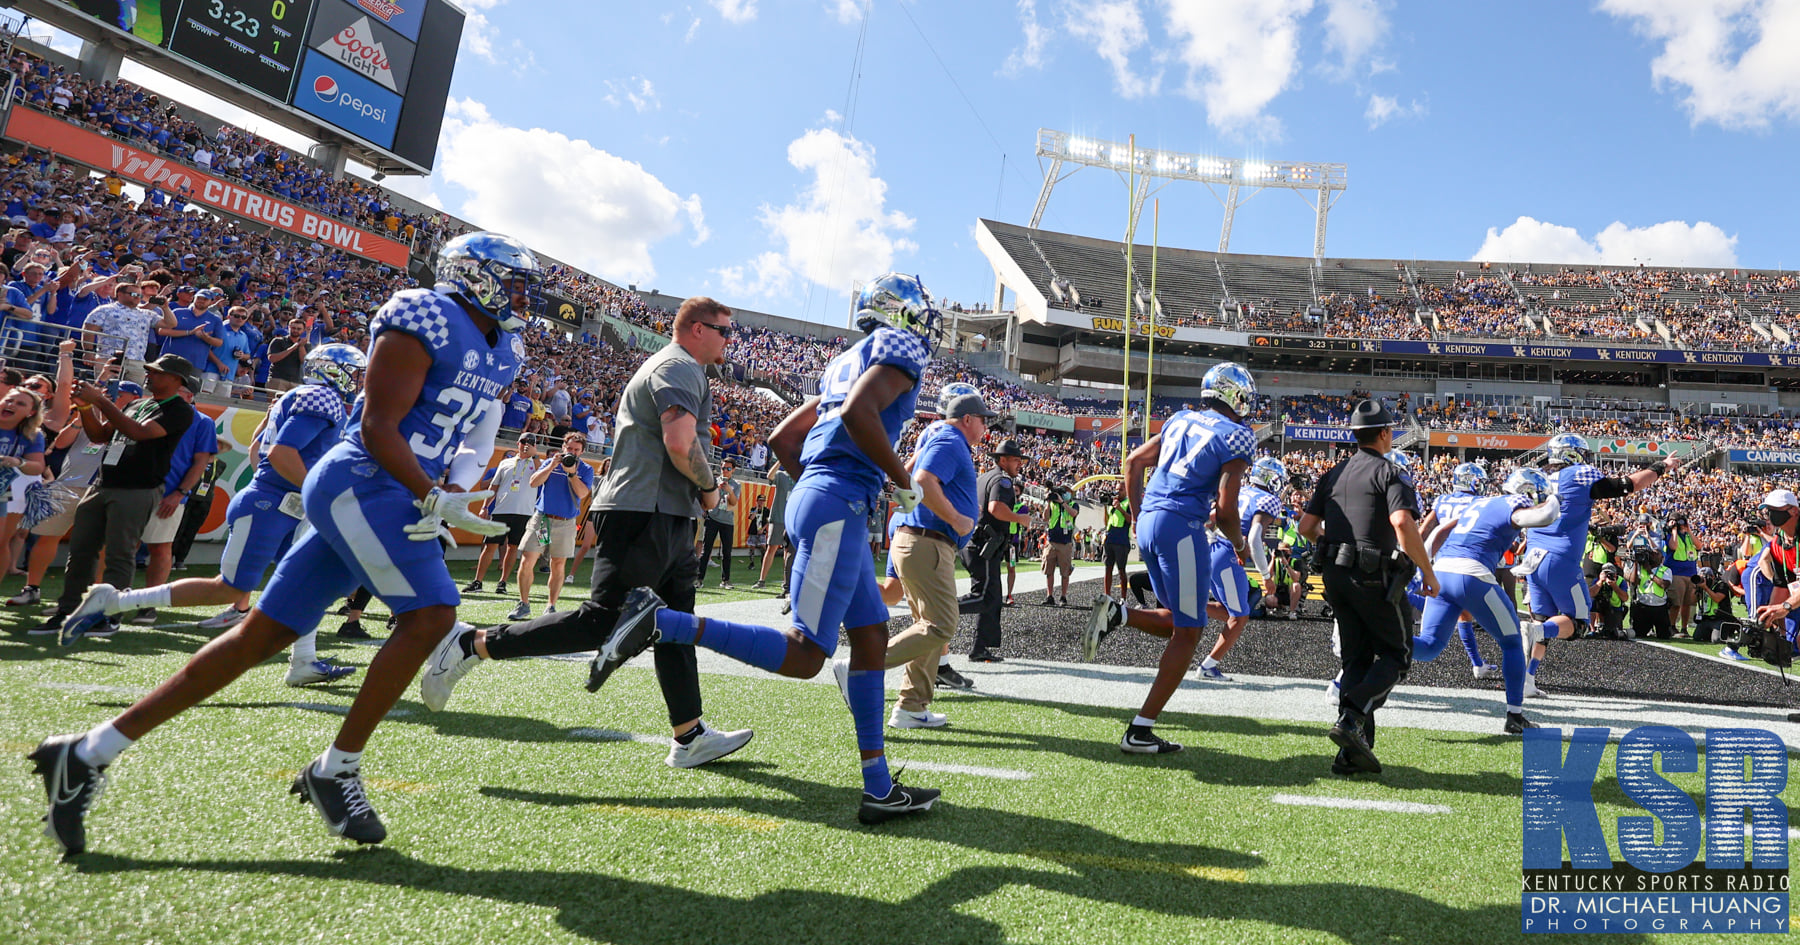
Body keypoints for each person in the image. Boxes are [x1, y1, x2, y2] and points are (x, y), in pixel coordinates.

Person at [28, 232, 538, 853]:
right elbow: (378, 425)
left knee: (258, 636)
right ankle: (336, 769)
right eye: (510, 281)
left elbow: (480, 426)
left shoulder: (505, 345)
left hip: (399, 490)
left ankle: (87, 752)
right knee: (432, 615)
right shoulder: (424, 313)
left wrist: (453, 484)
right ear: (471, 274)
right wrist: (430, 494)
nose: (520, 297)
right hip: (364, 480)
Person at [581, 272, 943, 824]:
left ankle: (877, 785)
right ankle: (662, 624)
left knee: (871, 640)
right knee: (804, 656)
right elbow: (858, 414)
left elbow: (781, 439)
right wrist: (895, 478)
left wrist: (825, 485)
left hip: (824, 498)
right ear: (902, 313)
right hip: (835, 504)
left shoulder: (847, 359)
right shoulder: (898, 348)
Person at [417, 295, 753, 771]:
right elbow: (680, 446)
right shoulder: (678, 366)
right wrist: (712, 491)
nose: (730, 341)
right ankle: (473, 643)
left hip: (665, 512)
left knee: (675, 623)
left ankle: (690, 733)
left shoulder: (685, 370)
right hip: (644, 511)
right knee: (602, 621)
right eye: (725, 331)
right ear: (697, 329)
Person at [60, 346, 369, 696]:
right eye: (355, 372)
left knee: (307, 584)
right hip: (270, 506)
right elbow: (282, 454)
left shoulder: (305, 397)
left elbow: (259, 451)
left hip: (284, 506)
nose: (359, 380)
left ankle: (304, 662)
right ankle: (113, 601)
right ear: (335, 371)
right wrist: (315, 492)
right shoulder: (321, 398)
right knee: (230, 588)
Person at [1112, 362, 1257, 754]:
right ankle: (1140, 730)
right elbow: (1226, 512)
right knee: (1189, 633)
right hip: (1182, 527)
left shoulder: (1180, 419)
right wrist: (1241, 547)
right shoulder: (1238, 435)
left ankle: (1118, 614)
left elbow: (1132, 463)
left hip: (1149, 523)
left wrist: (1141, 514)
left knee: (1180, 620)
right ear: (1235, 396)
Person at [1296, 398, 1439, 776]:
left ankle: (1351, 755)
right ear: (1384, 433)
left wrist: (1339, 545)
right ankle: (1352, 718)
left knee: (1356, 660)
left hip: (1334, 577)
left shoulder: (1334, 472)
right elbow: (1402, 524)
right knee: (1397, 655)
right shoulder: (1390, 472)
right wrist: (1427, 571)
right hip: (1373, 576)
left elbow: (1306, 529)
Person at [35, 354, 200, 633]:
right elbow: (100, 436)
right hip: (102, 483)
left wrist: (101, 401)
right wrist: (86, 407)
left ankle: (108, 616)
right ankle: (68, 610)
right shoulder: (137, 403)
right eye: (148, 370)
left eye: (157, 371)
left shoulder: (180, 410)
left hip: (138, 488)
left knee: (119, 554)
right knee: (81, 551)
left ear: (176, 380)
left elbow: (137, 432)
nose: (149, 374)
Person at [1520, 433, 1678, 696]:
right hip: (1560, 559)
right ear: (1574, 454)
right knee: (1577, 624)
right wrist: (1661, 467)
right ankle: (1536, 631)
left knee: (1543, 621)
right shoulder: (1579, 474)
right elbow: (1627, 486)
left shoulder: (1538, 478)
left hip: (1533, 560)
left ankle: (1526, 680)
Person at [1412, 468, 1560, 734]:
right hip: (1472, 575)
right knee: (1513, 642)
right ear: (1529, 492)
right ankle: (1515, 716)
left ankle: (1376, 639)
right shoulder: (1514, 504)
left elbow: (1440, 531)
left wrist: (1426, 568)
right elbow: (1546, 515)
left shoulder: (1480, 502)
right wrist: (1555, 499)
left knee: (1429, 646)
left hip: (1443, 571)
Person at [882, 388, 988, 727]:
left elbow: (905, 476)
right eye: (983, 419)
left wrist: (911, 505)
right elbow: (923, 479)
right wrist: (957, 519)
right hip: (928, 541)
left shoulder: (938, 435)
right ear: (967, 419)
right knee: (942, 624)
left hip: (919, 539)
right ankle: (863, 664)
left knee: (928, 627)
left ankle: (911, 706)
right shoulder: (952, 438)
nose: (986, 426)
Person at [126, 382, 218, 626]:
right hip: (131, 490)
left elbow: (200, 462)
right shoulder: (146, 410)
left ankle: (148, 605)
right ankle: (110, 600)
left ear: (189, 396)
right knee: (120, 548)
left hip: (168, 494)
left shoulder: (202, 421)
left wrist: (179, 493)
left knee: (160, 548)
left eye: (175, 391)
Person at [1419, 462, 1495, 679]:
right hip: (1468, 562)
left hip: (1441, 564)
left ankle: (1477, 663)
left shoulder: (1443, 500)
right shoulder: (1479, 501)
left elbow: (1424, 530)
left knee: (1459, 613)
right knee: (1494, 619)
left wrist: (1413, 556)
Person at [509, 430, 593, 620]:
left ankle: (551, 606)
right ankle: (524, 603)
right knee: (527, 559)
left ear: (581, 452)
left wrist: (571, 475)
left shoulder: (586, 469)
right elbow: (533, 483)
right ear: (563, 447)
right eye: (569, 448)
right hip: (543, 519)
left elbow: (581, 494)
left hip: (565, 523)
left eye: (576, 449)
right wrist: (552, 466)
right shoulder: (551, 462)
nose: (571, 452)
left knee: (558, 563)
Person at [963, 439, 1032, 662]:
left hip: (977, 543)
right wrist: (1020, 518)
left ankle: (980, 647)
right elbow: (996, 508)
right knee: (984, 596)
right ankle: (940, 611)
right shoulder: (1002, 480)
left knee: (991, 597)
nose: (1019, 464)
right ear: (1002, 460)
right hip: (985, 544)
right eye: (1015, 460)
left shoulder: (983, 477)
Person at [463, 436, 541, 596]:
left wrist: (535, 455)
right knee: (489, 545)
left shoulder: (536, 462)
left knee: (513, 547)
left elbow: (541, 478)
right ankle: (478, 581)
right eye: (524, 442)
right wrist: (485, 506)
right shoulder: (505, 463)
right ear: (518, 443)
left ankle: (503, 582)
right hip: (501, 510)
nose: (526, 446)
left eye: (530, 443)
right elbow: (494, 486)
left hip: (524, 512)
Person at [697, 458, 738, 589]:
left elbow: (734, 503)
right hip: (712, 518)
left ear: (733, 470)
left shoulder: (736, 484)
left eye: (728, 468)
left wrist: (729, 491)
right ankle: (699, 579)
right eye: (723, 468)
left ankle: (725, 581)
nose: (725, 471)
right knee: (706, 550)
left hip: (727, 521)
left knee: (727, 552)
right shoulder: (714, 481)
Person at [1624, 536, 1674, 640]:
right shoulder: (1641, 568)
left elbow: (1664, 585)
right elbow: (1633, 582)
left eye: (1656, 554)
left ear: (1662, 558)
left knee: (1664, 636)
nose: (1653, 555)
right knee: (1638, 634)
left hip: (1660, 607)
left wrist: (1650, 572)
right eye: (1651, 553)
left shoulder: (1665, 570)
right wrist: (1636, 563)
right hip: (1643, 607)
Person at [756, 463, 795, 595]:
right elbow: (769, 475)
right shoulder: (781, 475)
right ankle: (761, 580)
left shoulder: (800, 478)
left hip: (792, 519)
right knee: (771, 548)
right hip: (778, 518)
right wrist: (779, 461)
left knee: (788, 552)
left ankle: (786, 582)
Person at [1039, 485, 1076, 606]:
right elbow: (1045, 518)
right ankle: (1049, 596)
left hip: (1065, 543)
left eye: (1065, 492)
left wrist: (1062, 502)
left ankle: (1063, 597)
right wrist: (1048, 502)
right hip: (1051, 541)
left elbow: (1074, 514)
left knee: (1065, 572)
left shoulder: (1073, 504)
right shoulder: (1053, 505)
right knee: (1049, 570)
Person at [1101, 493, 1131, 601]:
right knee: (1108, 568)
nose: (1118, 492)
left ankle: (1123, 598)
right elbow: (1106, 521)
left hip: (1121, 541)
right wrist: (1105, 506)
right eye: (1117, 489)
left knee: (1121, 570)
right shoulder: (1111, 504)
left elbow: (1130, 520)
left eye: (1121, 489)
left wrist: (1120, 509)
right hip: (1109, 539)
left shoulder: (1129, 503)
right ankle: (1107, 596)